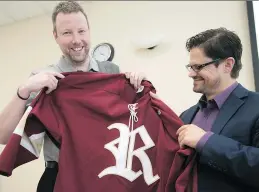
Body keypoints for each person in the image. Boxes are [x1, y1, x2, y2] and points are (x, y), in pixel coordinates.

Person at [0, 1, 147, 192]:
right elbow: (3, 136)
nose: (76, 40)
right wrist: (24, 90)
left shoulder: (111, 72)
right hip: (59, 178)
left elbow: (132, 124)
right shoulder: (42, 79)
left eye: (81, 31)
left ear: (89, 30)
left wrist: (139, 86)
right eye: (67, 33)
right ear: (56, 36)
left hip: (107, 176)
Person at [150, 27, 259, 191]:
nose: (191, 74)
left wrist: (206, 142)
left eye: (198, 67)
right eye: (190, 67)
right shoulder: (186, 116)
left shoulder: (255, 106)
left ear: (228, 65)